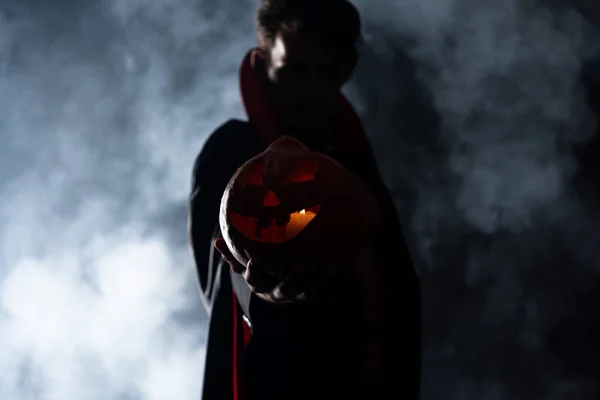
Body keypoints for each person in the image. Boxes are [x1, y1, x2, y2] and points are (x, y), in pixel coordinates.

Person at [188, 0, 421, 399]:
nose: (311, 91)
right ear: (262, 68)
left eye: (325, 72)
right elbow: (221, 254)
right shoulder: (233, 148)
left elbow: (394, 293)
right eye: (294, 72)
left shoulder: (357, 165)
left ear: (346, 69)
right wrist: (259, 285)